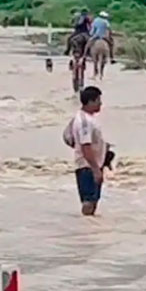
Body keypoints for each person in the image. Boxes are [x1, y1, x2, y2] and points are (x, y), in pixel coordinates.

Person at [64, 86, 106, 216]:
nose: (101, 103)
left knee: (93, 202)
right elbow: (85, 146)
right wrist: (95, 169)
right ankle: (86, 231)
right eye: (98, 100)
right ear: (90, 102)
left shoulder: (88, 118)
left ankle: (89, 230)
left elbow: (69, 138)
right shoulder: (84, 122)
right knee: (88, 203)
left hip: (92, 165)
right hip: (86, 167)